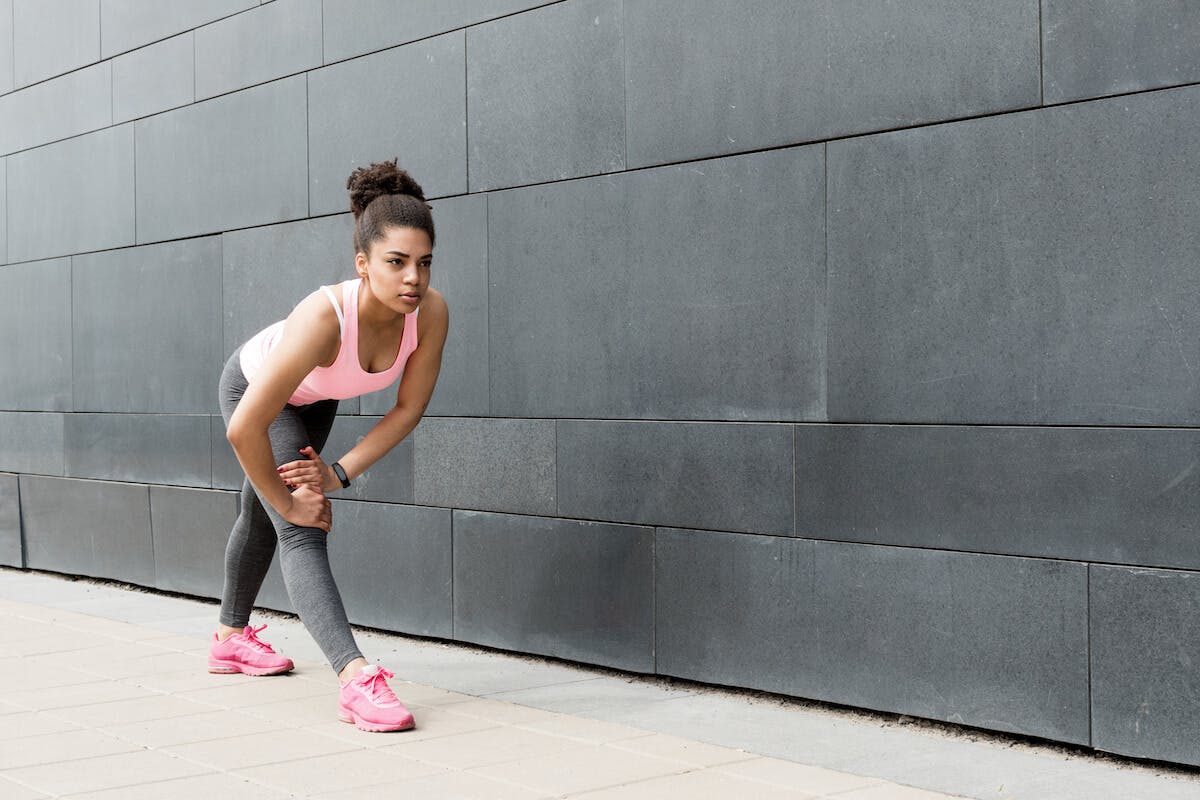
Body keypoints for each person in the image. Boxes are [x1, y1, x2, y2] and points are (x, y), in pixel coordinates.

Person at [209, 160, 448, 733]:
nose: (413, 278)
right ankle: (354, 677)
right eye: (396, 262)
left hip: (316, 398)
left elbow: (409, 408)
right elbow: (244, 428)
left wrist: (337, 473)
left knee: (261, 514)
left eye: (424, 263)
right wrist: (295, 501)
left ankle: (229, 639)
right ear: (363, 265)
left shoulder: (431, 313)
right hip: (255, 393)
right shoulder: (324, 319)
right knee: (296, 523)